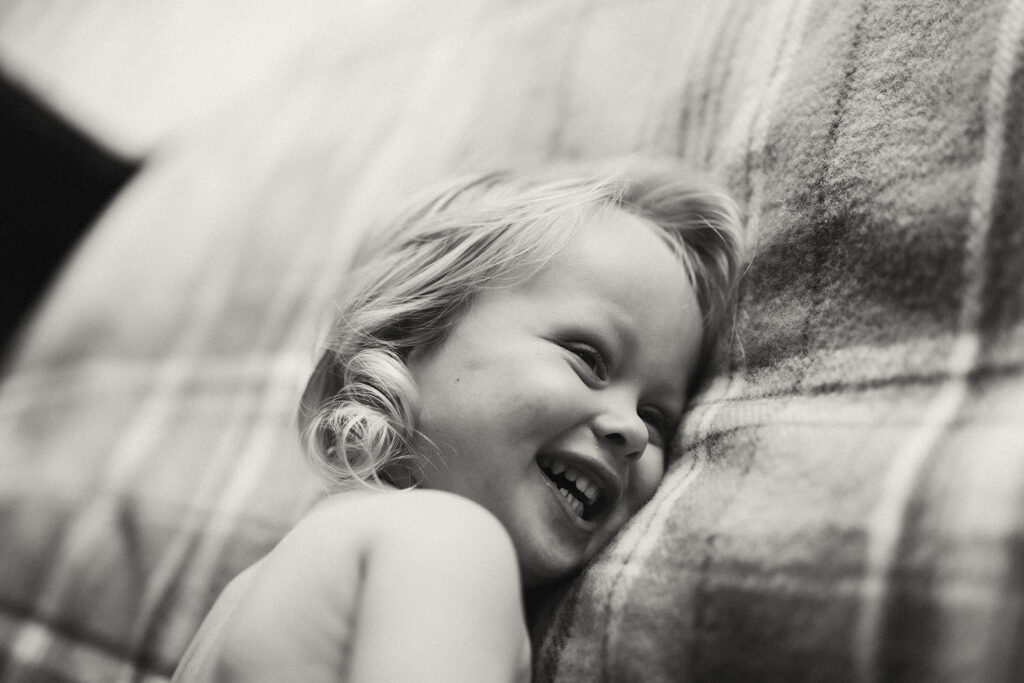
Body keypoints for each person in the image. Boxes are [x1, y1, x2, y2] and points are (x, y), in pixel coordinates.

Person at [172, 158, 746, 681]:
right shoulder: (450, 541)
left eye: (658, 416)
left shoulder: (263, 582)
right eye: (589, 358)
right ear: (413, 335)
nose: (635, 430)